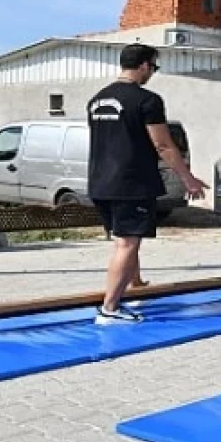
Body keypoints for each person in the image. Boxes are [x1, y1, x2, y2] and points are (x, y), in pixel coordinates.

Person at [87, 44, 208, 324]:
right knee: (127, 243)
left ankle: (136, 285)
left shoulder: (97, 100)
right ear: (143, 65)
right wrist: (188, 178)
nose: (153, 73)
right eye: (153, 67)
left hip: (100, 182)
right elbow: (163, 145)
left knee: (124, 239)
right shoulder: (148, 100)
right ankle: (110, 309)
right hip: (132, 182)